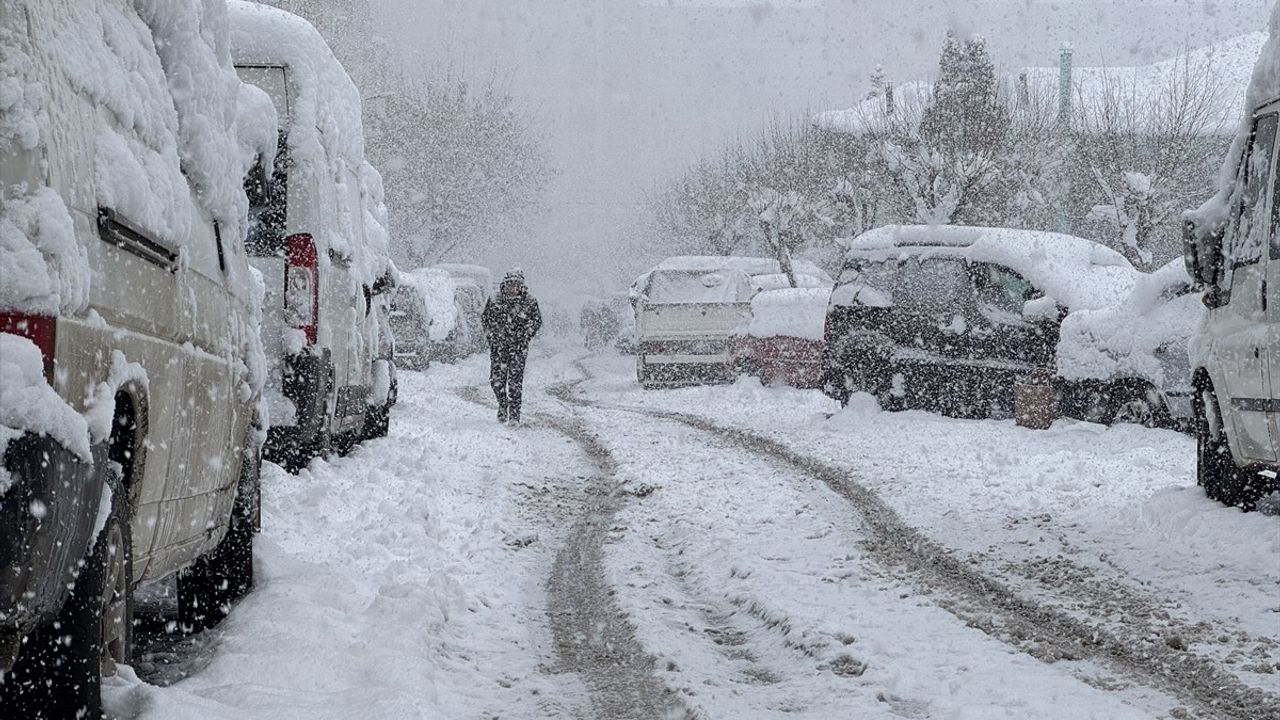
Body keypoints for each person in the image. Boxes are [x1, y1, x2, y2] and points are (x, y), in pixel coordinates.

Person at [482, 270, 542, 423]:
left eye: (515, 285)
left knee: (515, 383)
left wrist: (526, 334)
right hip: (499, 347)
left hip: (518, 348)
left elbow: (536, 321)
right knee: (496, 380)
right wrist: (491, 335)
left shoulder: (529, 301)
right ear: (504, 284)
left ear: (521, 286)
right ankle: (503, 404)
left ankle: (514, 414)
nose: (512, 288)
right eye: (509, 284)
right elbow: (485, 319)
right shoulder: (495, 299)